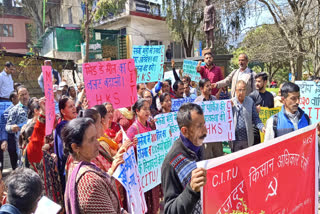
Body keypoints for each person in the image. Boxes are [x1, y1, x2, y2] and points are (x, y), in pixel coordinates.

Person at [62, 118, 126, 214]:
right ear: (75, 147)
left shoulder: (80, 166)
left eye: (96, 138)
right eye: (91, 140)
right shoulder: (90, 182)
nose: (97, 143)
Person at [161, 103, 207, 213]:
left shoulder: (199, 147)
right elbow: (169, 211)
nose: (205, 130)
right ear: (184, 131)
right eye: (199, 126)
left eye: (204, 124)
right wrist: (191, 190)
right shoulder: (171, 163)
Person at [19, 98, 63, 205]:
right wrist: (43, 114)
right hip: (45, 206)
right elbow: (37, 136)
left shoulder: (42, 153)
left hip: (55, 203)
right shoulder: (32, 152)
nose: (44, 138)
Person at [126, 99, 160, 214]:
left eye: (148, 109)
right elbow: (126, 152)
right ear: (137, 111)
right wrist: (134, 146)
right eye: (144, 109)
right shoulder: (132, 130)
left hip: (152, 172)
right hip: (141, 175)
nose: (147, 111)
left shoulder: (150, 126)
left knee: (155, 203)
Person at [230, 80, 265, 152]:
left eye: (243, 90)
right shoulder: (231, 102)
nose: (241, 93)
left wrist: (262, 127)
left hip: (247, 140)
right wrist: (229, 108)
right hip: (235, 140)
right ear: (236, 91)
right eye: (239, 90)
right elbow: (225, 120)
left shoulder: (250, 101)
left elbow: (255, 118)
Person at [194, 79, 223, 159]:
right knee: (207, 161)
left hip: (216, 138)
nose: (210, 87)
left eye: (210, 85)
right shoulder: (197, 102)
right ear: (201, 88)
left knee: (219, 159)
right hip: (205, 140)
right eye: (207, 86)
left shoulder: (215, 100)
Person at [54, 97, 77, 193]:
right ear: (63, 111)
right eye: (70, 106)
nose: (74, 108)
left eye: (74, 105)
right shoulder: (63, 126)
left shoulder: (71, 123)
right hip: (67, 168)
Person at [5, 86, 30, 169]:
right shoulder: (14, 110)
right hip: (22, 145)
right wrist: (12, 127)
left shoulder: (34, 106)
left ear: (28, 94)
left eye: (25, 94)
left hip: (36, 143)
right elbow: (7, 127)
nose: (24, 96)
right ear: (18, 97)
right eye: (21, 95)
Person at [249, 72, 274, 145]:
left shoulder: (270, 96)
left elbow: (272, 112)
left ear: (265, 82)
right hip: (255, 130)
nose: (256, 83)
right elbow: (248, 113)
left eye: (259, 81)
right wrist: (255, 110)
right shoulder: (252, 96)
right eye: (256, 81)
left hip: (266, 129)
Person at [0, 92, 18, 172]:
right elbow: (4, 127)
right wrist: (4, 139)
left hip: (23, 139)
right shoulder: (6, 112)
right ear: (12, 99)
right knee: (13, 155)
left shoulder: (28, 108)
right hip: (12, 138)